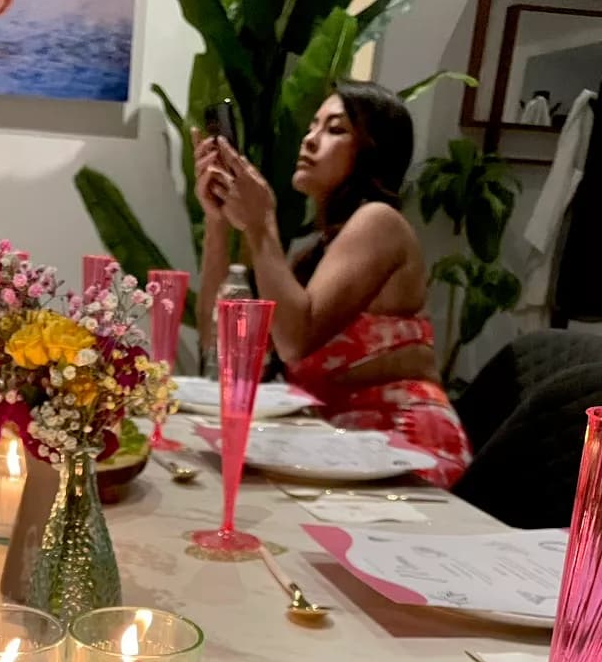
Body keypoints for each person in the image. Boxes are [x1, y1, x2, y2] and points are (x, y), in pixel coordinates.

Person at [194, 81, 471, 488]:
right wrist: (217, 222)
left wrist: (260, 224)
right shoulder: (318, 252)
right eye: (312, 126)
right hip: (341, 447)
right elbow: (216, 339)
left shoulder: (379, 221)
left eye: (335, 130)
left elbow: (294, 340)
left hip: (405, 449)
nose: (309, 139)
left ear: (373, 151)